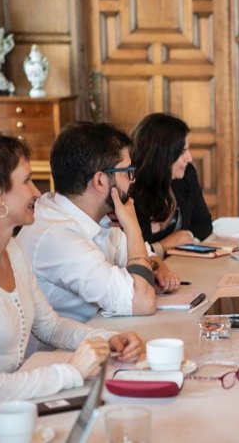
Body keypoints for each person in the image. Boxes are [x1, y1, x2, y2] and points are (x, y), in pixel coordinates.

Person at [0, 129, 143, 441]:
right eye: (25, 180)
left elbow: (49, 325)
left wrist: (110, 339)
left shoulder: (10, 249)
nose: (37, 192)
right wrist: (70, 372)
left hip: (4, 409)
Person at [17, 122, 180, 323]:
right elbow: (142, 301)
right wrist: (133, 229)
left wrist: (155, 263)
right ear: (100, 181)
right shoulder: (56, 237)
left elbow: (141, 255)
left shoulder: (91, 215)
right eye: (127, 171)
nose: (133, 180)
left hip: (99, 335)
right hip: (64, 351)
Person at [130, 113, 213, 258]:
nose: (190, 158)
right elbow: (125, 256)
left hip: (181, 264)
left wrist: (186, 235)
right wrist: (163, 246)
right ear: (161, 156)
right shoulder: (129, 189)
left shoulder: (186, 174)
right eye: (182, 152)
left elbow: (204, 224)